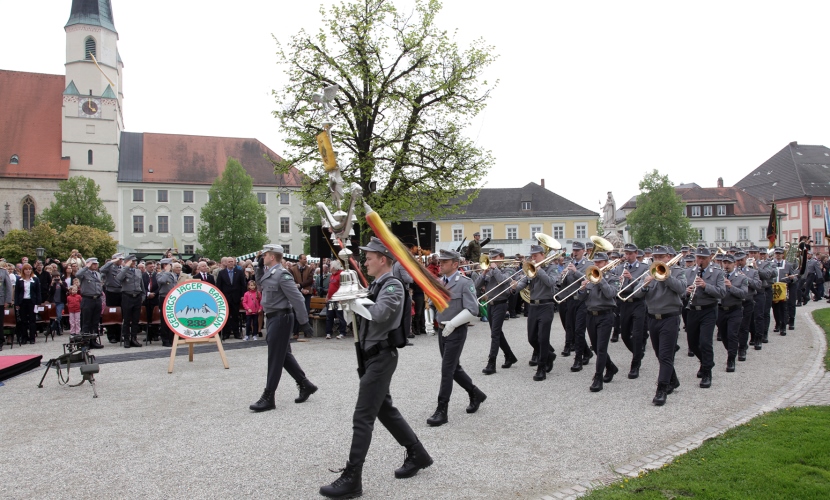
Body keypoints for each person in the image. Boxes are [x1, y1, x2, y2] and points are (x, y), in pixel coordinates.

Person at [319, 237, 432, 499]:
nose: (365, 262)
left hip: (381, 357)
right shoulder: (377, 284)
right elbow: (361, 319)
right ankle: (418, 454)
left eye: (369, 258)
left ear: (383, 259)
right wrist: (351, 304)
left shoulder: (392, 284)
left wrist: (354, 298)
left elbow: (380, 314)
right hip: (371, 356)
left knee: (363, 417)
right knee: (385, 411)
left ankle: (352, 478)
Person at [249, 245, 317, 412]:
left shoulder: (282, 274)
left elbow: (298, 299)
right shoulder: (270, 272)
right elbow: (260, 286)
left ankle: (268, 396)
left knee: (275, 357)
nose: (262, 257)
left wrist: (303, 322)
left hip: (281, 318)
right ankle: (305, 384)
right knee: (283, 355)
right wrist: (258, 268)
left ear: (272, 256)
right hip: (273, 318)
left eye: (265, 255)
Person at [427, 249, 485, 426]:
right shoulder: (439, 282)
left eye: (444, 262)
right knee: (454, 368)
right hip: (442, 330)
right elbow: (433, 304)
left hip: (456, 330)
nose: (440, 264)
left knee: (447, 370)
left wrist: (452, 323)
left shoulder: (464, 283)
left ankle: (441, 410)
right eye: (440, 261)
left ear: (454, 264)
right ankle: (476, 393)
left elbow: (473, 309)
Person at [633, 246, 684, 405]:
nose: (658, 259)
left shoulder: (677, 271)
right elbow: (636, 293)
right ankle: (673, 380)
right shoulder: (649, 272)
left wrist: (666, 276)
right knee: (659, 354)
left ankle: (661, 389)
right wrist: (646, 285)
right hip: (653, 317)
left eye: (661, 256)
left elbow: (682, 289)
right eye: (656, 257)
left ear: (669, 257)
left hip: (670, 316)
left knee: (665, 355)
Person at [574, 252, 619, 392]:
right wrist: (582, 289)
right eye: (595, 262)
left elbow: (611, 293)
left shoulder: (613, 277)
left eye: (599, 262)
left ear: (606, 262)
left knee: (601, 348)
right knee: (595, 346)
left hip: (605, 315)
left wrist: (601, 280)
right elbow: (580, 298)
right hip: (590, 315)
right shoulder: (590, 277)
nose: (597, 265)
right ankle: (611, 367)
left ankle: (598, 377)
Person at [514, 245, 559, 380]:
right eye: (532, 255)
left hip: (546, 305)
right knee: (532, 338)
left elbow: (551, 282)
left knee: (543, 338)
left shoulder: (552, 268)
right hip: (533, 306)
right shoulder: (530, 269)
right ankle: (549, 356)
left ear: (542, 255)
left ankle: (541, 368)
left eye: (536, 255)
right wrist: (514, 286)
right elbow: (523, 284)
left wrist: (539, 270)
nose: (533, 258)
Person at [685, 247, 726, 388]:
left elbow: (721, 292)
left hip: (708, 310)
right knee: (692, 343)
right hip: (692, 310)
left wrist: (705, 285)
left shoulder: (717, 273)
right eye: (698, 258)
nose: (700, 261)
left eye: (703, 258)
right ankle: (706, 361)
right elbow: (681, 289)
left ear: (710, 259)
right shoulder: (689, 272)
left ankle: (707, 373)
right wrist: (686, 291)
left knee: (705, 342)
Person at [475, 249, 518, 375]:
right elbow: (476, 285)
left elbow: (505, 282)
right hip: (490, 304)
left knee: (495, 334)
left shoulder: (508, 270)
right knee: (497, 333)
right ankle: (509, 356)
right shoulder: (489, 271)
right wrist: (484, 273)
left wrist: (495, 269)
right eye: (491, 257)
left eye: (495, 257)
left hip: (501, 304)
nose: (492, 259)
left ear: (502, 257)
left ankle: (491, 363)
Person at [560, 242, 593, 371]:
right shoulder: (570, 263)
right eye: (574, 250)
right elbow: (564, 283)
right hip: (570, 300)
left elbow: (589, 279)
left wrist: (575, 271)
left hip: (583, 300)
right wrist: (563, 275)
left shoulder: (589, 264)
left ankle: (578, 359)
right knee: (572, 330)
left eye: (578, 250)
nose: (575, 252)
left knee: (579, 330)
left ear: (583, 251)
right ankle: (587, 353)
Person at [617, 243, 648, 379]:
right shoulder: (619, 268)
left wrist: (631, 278)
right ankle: (638, 353)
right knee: (624, 335)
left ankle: (635, 364)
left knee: (637, 334)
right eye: (626, 254)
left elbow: (643, 285)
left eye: (630, 254)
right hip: (624, 303)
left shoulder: (644, 268)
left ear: (636, 253)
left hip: (638, 303)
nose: (628, 256)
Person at [716, 255, 748, 373]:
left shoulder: (741, 278)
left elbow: (744, 294)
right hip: (721, 309)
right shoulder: (718, 276)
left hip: (735, 310)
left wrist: (730, 286)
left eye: (729, 263)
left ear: (734, 264)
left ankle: (731, 359)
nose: (726, 265)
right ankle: (731, 350)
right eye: (724, 263)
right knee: (724, 336)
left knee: (732, 334)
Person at [734, 251, 762, 359]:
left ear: (745, 259)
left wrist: (745, 278)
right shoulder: (732, 272)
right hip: (735, 302)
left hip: (747, 301)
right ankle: (735, 346)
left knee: (744, 326)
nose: (739, 262)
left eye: (741, 260)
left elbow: (758, 285)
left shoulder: (752, 272)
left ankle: (742, 348)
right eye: (738, 260)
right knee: (734, 327)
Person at [117, 255, 145, 348]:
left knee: (136, 319)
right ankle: (126, 339)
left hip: (137, 296)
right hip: (127, 296)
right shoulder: (123, 271)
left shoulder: (138, 271)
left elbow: (141, 284)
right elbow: (119, 278)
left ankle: (134, 338)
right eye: (132, 261)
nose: (134, 263)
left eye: (135, 261)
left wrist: (143, 296)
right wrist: (126, 267)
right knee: (127, 319)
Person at [771, 247, 798, 334]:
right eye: (776, 253)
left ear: (783, 254)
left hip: (783, 288)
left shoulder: (788, 264)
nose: (778, 255)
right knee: (775, 307)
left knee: (783, 307)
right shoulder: (770, 264)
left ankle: (783, 326)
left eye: (780, 253)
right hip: (774, 288)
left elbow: (795, 277)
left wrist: (792, 278)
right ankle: (778, 323)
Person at [75, 258, 104, 340]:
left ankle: (94, 340)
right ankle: (86, 341)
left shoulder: (97, 274)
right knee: (86, 321)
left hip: (97, 299)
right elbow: (77, 274)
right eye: (93, 264)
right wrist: (86, 267)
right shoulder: (84, 273)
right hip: (88, 299)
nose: (95, 265)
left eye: (96, 264)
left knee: (95, 322)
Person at [217, 257, 245, 340]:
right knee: (227, 316)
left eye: (232, 262)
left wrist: (242, 295)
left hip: (236, 297)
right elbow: (219, 285)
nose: (230, 263)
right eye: (229, 262)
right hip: (226, 297)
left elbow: (243, 284)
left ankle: (237, 333)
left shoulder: (239, 272)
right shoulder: (222, 273)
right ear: (226, 263)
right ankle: (226, 333)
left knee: (236, 316)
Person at [14, 263, 41, 344]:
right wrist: (17, 303)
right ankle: (24, 337)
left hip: (32, 302)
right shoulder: (19, 280)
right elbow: (17, 292)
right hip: (23, 302)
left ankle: (32, 338)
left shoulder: (35, 279)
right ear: (23, 271)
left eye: (29, 269)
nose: (28, 271)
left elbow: (38, 292)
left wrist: (38, 302)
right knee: (23, 321)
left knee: (32, 320)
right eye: (26, 269)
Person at [155, 258, 178, 347]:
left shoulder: (172, 274)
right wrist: (167, 271)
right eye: (170, 265)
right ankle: (165, 340)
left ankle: (171, 338)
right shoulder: (160, 274)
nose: (171, 267)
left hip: (172, 297)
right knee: (164, 320)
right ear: (165, 265)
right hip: (164, 297)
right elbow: (161, 281)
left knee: (172, 319)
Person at [325, 260, 348, 340]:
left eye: (330, 266)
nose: (329, 267)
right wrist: (327, 296)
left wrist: (342, 298)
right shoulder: (332, 275)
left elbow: (343, 287)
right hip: (331, 299)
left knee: (340, 316)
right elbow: (330, 287)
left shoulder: (341, 275)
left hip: (338, 299)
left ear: (334, 267)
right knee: (329, 316)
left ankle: (342, 332)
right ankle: (328, 333)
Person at [143, 261, 160, 341]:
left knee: (155, 316)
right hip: (146, 299)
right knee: (148, 317)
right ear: (146, 267)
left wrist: (154, 293)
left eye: (153, 267)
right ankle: (149, 335)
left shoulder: (157, 275)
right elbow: (141, 286)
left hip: (155, 298)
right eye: (150, 267)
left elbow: (160, 286)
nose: (152, 268)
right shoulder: (143, 276)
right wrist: (147, 293)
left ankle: (155, 335)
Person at [47, 271, 67, 336]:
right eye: (55, 277)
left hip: (60, 302)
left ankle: (51, 329)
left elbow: (66, 291)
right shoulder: (51, 284)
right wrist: (52, 284)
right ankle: (59, 330)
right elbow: (50, 293)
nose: (57, 278)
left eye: (58, 277)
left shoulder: (63, 283)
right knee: (54, 317)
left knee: (59, 316)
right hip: (53, 302)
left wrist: (61, 284)